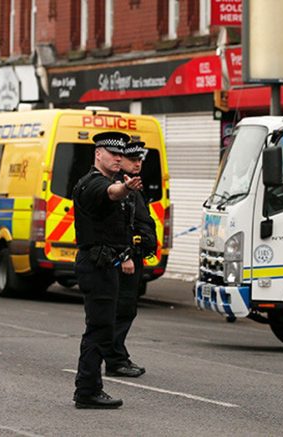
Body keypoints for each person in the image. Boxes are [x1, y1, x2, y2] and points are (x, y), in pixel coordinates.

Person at [71, 131, 143, 409]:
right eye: (113, 153)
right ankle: (87, 390)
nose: (118, 158)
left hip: (106, 264)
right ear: (98, 153)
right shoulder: (92, 184)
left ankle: (89, 388)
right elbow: (111, 193)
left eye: (120, 154)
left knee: (102, 328)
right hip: (96, 265)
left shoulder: (110, 181)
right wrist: (125, 189)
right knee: (99, 329)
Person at [105, 140, 158, 378]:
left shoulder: (132, 185)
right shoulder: (120, 187)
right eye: (133, 159)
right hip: (123, 258)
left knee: (125, 309)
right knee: (121, 309)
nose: (138, 164)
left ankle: (116, 356)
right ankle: (115, 359)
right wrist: (125, 255)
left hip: (134, 256)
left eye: (140, 160)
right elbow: (118, 225)